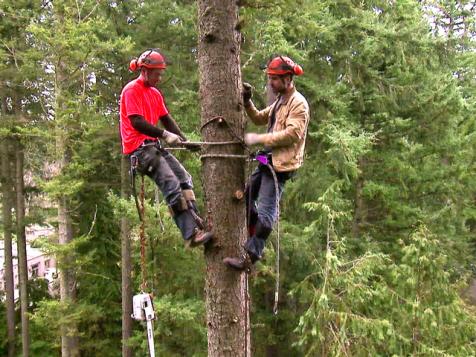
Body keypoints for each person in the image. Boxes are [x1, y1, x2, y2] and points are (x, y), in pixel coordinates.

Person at [223, 55, 310, 270]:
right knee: (246, 197)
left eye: (274, 79)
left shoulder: (298, 104)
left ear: (288, 78)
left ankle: (250, 257)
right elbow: (260, 118)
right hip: (267, 160)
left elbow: (292, 134)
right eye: (270, 78)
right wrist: (247, 101)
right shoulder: (280, 101)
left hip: (280, 167)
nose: (271, 83)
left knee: (266, 213)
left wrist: (259, 138)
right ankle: (253, 234)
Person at [120, 49, 213, 247]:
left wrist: (185, 141)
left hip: (153, 147)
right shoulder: (131, 90)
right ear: (145, 71)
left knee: (184, 179)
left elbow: (166, 119)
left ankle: (196, 221)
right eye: (157, 74)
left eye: (161, 73)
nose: (160, 78)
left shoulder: (155, 94)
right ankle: (190, 234)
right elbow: (137, 122)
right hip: (140, 150)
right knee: (171, 183)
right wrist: (163, 134)